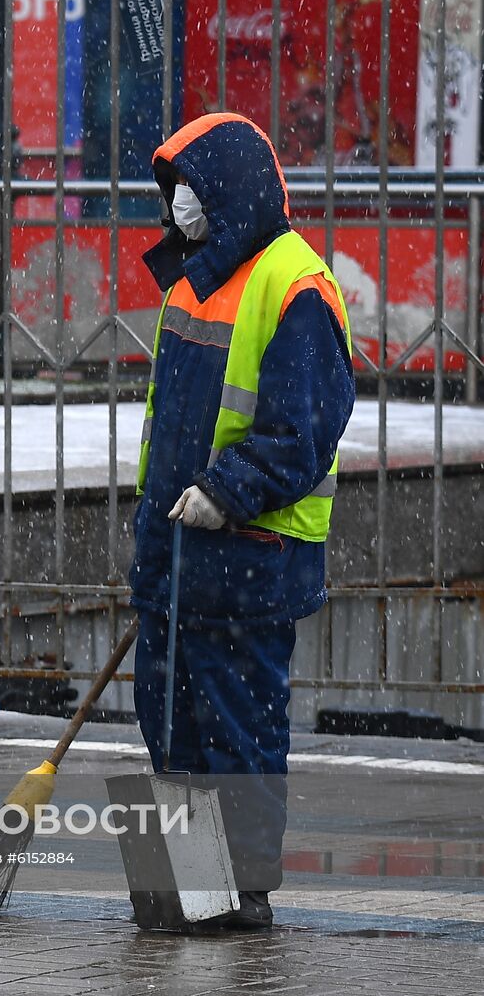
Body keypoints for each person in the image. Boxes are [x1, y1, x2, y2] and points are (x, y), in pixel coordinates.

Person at [131, 112, 355, 929]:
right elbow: (167, 427)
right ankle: (192, 887)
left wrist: (228, 490)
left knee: (239, 729)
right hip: (178, 553)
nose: (177, 205)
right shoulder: (195, 277)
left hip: (249, 553)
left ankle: (242, 892)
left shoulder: (294, 283)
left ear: (228, 188)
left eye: (188, 188)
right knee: (170, 721)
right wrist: (156, 539)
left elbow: (303, 429)